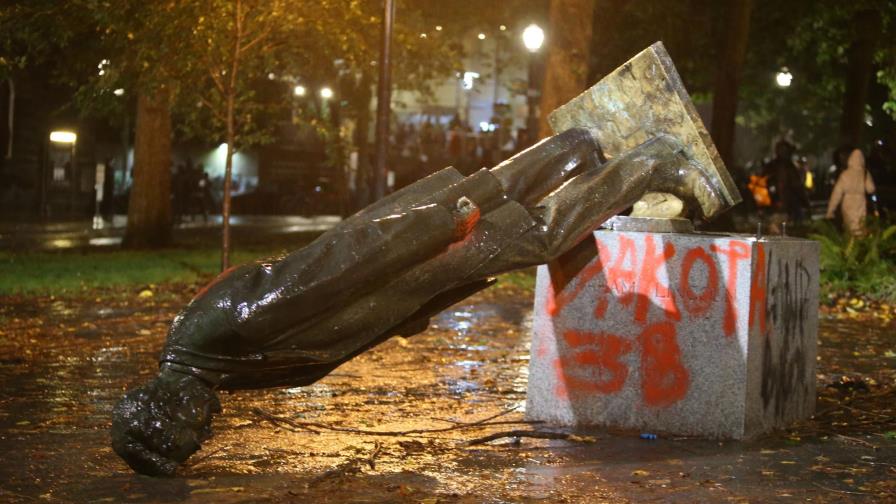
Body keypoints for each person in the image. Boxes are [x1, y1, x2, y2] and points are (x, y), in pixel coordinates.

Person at [111, 129, 728, 476]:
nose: (207, 429)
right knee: (499, 191)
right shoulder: (207, 365)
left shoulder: (222, 337)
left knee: (536, 234)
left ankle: (649, 161)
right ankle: (579, 151)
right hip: (409, 270)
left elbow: (332, 269)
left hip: (412, 253)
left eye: (190, 429)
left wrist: (432, 226)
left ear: (169, 407)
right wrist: (405, 314)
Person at [826, 146, 876, 236]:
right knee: (860, 224)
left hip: (847, 202)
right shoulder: (865, 173)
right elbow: (870, 189)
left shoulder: (845, 174)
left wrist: (831, 210)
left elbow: (836, 194)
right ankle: (860, 243)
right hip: (861, 201)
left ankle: (851, 245)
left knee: (850, 225)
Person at [761, 140, 809, 232]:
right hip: (777, 206)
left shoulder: (788, 167)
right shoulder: (775, 166)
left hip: (786, 206)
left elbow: (796, 186)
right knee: (777, 231)